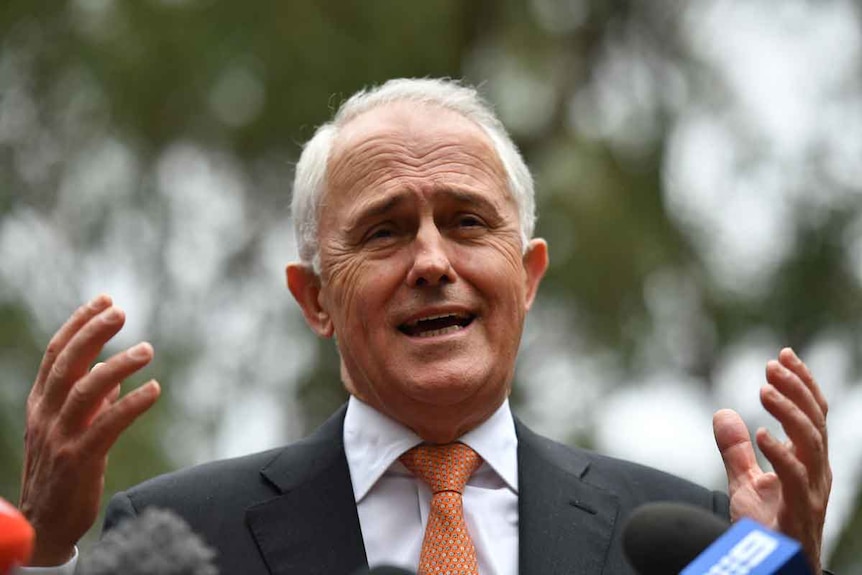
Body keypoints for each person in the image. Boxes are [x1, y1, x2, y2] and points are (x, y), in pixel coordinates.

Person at [17, 78, 832, 575]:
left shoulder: (687, 542)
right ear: (315, 298)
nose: (432, 260)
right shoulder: (179, 537)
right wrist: (46, 553)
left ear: (528, 273)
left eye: (469, 221)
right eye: (384, 231)